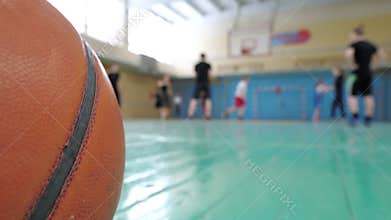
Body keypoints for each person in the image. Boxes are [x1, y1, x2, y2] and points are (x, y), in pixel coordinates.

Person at [345, 26, 386, 126]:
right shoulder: (370, 45)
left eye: (351, 34)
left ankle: (355, 118)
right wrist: (377, 64)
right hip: (368, 72)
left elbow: (348, 54)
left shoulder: (354, 44)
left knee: (351, 96)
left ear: (355, 34)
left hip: (356, 73)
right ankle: (368, 119)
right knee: (368, 96)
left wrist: (352, 64)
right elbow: (382, 54)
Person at [188, 53, 213, 120]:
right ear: (205, 58)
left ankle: (190, 115)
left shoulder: (197, 65)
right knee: (208, 98)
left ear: (200, 57)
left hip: (198, 83)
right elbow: (209, 74)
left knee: (194, 98)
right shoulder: (208, 65)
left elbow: (195, 75)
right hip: (206, 82)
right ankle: (208, 116)